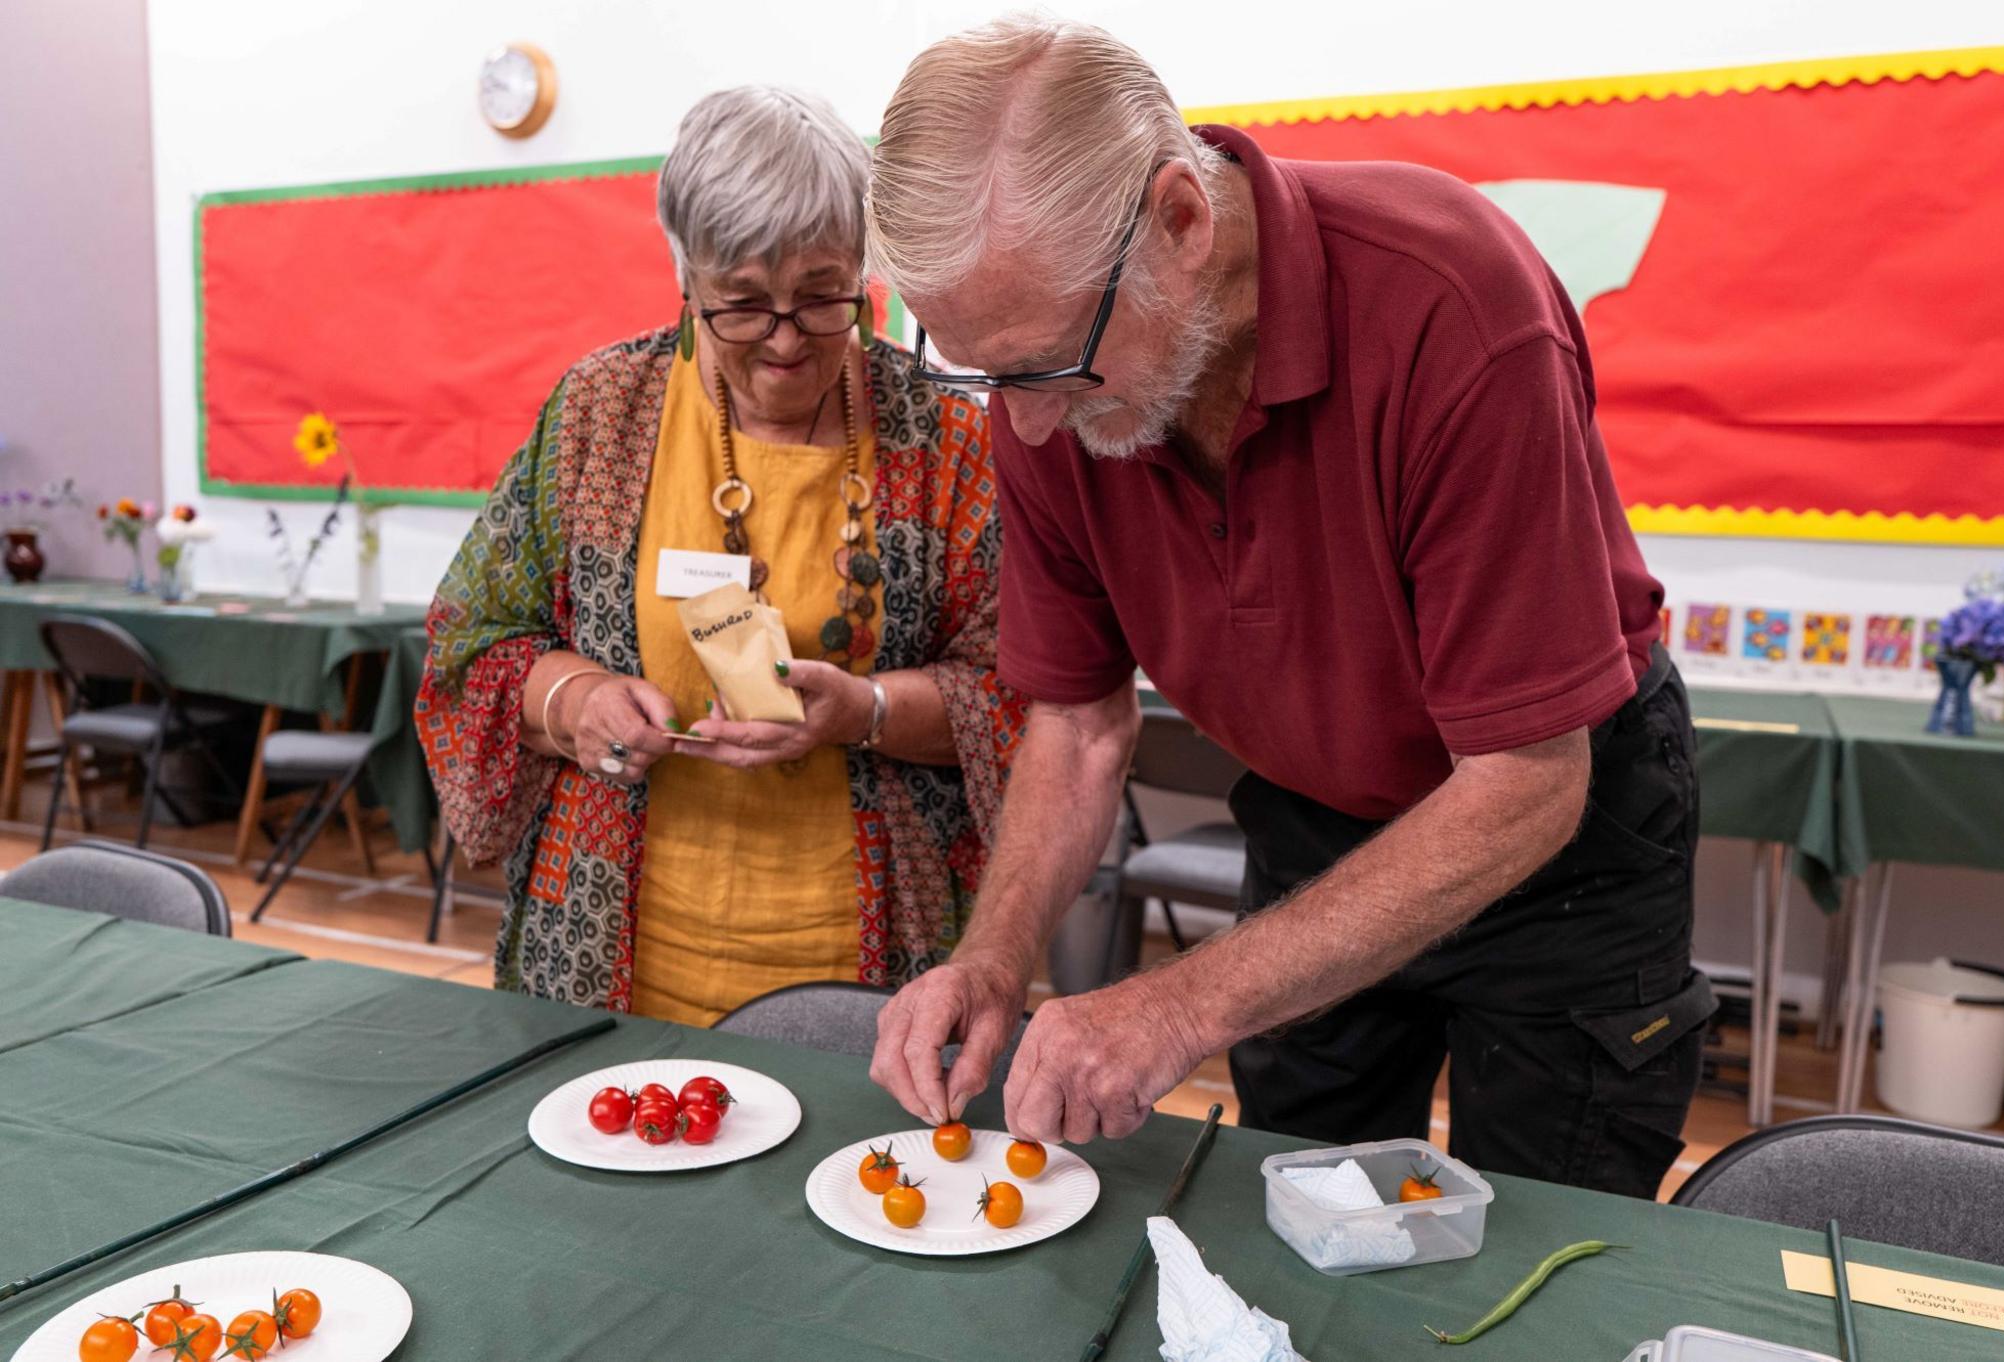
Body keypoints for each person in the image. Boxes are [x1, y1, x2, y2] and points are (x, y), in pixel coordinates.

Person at [863, 18, 1708, 1198]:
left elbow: (1524, 781)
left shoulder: (1451, 304)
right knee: (1302, 1204)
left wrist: (1174, 1006)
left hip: (1556, 838)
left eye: (1045, 368)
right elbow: (1077, 721)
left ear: (1180, 220)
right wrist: (995, 960)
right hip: (1317, 819)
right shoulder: (1047, 379)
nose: (1030, 425)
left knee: (1540, 1241)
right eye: (982, 372)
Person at [419, 86, 1025, 1024]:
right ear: (686, 281)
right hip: (605, 953)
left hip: (870, 972)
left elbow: (1026, 698)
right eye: (741, 304)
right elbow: (471, 642)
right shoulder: (600, 414)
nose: (785, 340)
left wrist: (864, 710)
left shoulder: (943, 441)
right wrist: (577, 702)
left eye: (825, 296)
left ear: (867, 270)